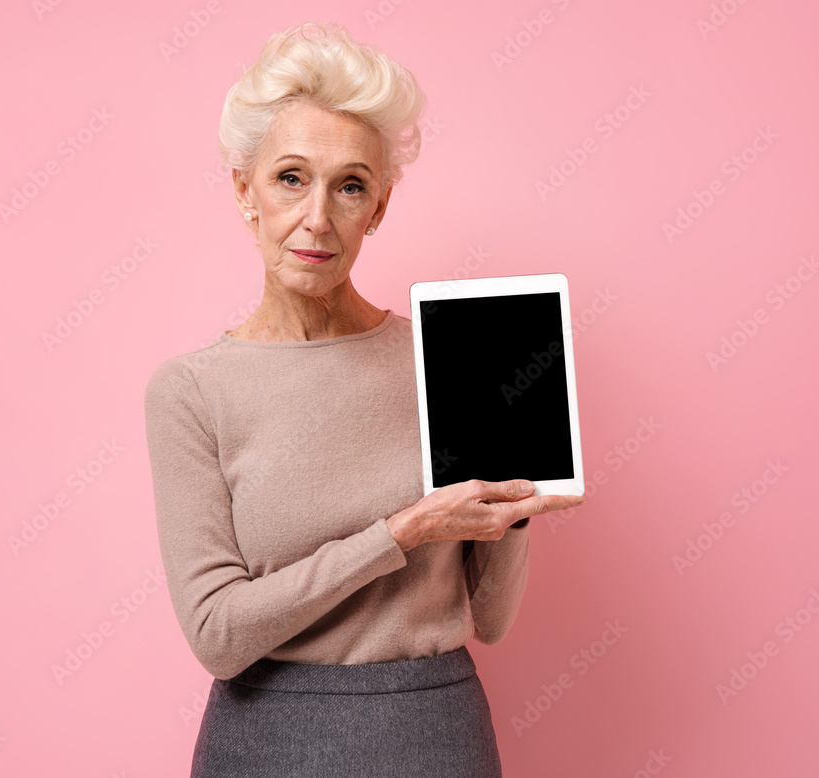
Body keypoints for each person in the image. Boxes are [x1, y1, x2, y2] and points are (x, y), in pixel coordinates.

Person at [143, 21, 585, 777]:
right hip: (263, 743)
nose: (318, 218)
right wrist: (401, 533)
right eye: (290, 178)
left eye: (350, 186)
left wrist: (519, 501)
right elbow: (217, 633)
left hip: (435, 731)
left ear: (377, 208)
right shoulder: (191, 390)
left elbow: (491, 619)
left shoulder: (450, 359)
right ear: (244, 190)